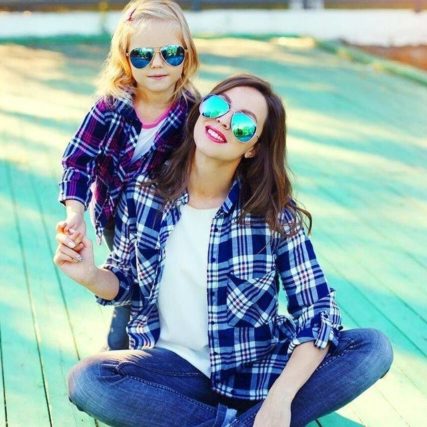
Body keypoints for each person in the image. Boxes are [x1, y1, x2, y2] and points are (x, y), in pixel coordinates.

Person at [54, 74, 393, 427]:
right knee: (89, 379)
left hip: (258, 371)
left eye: (244, 124)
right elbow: (128, 284)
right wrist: (90, 275)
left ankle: (243, 417)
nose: (224, 121)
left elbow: (316, 310)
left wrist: (279, 399)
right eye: (218, 106)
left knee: (372, 348)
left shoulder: (273, 215)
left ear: (253, 148)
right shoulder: (144, 193)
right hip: (173, 373)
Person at [57, 0, 199, 350]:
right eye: (142, 56)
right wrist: (75, 213)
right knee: (127, 285)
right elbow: (78, 160)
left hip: (164, 224)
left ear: (187, 55)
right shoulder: (110, 106)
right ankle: (118, 353)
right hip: (113, 218)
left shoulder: (194, 113)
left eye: (170, 53)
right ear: (125, 58)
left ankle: (163, 351)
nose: (157, 64)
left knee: (160, 288)